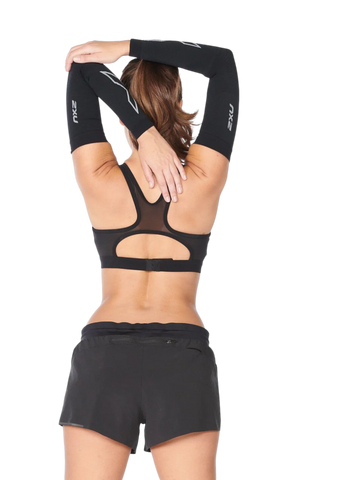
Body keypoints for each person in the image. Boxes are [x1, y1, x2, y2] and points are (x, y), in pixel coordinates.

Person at [57, 37, 240, 480]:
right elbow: (221, 63)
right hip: (181, 356)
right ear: (180, 103)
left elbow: (79, 67)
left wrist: (142, 130)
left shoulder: (100, 176)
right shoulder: (204, 176)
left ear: (121, 114)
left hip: (104, 355)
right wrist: (126, 46)